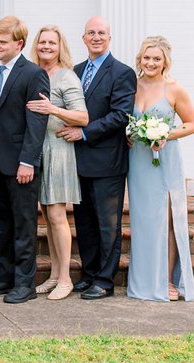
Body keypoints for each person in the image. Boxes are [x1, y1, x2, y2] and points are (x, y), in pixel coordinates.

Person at [57, 16, 136, 300]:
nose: (96, 37)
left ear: (109, 38)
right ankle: (89, 274)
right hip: (78, 161)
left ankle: (104, 280)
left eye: (102, 32)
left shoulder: (122, 73)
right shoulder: (75, 71)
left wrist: (84, 133)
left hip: (107, 162)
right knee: (85, 223)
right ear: (83, 38)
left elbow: (119, 115)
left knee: (107, 225)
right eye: (91, 32)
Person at [0, 17, 49, 304]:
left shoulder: (33, 74)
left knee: (24, 224)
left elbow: (37, 120)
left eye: (2, 42)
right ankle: (5, 276)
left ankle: (25, 283)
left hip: (21, 163)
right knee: (3, 223)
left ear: (18, 43)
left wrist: (28, 161)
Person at [126, 36, 194, 302]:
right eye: (147, 57)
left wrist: (166, 133)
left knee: (165, 220)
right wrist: (128, 135)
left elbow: (191, 124)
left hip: (165, 160)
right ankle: (144, 280)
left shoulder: (174, 89)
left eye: (156, 58)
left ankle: (166, 279)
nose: (151, 63)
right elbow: (127, 119)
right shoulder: (131, 85)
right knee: (143, 220)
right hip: (138, 161)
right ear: (140, 59)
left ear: (165, 60)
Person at [26, 25, 89, 300]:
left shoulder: (67, 76)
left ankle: (66, 278)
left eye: (52, 42)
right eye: (42, 42)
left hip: (59, 149)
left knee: (56, 215)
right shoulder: (34, 72)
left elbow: (83, 117)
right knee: (47, 218)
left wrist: (52, 108)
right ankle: (53, 275)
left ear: (60, 46)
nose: (46, 47)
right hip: (37, 150)